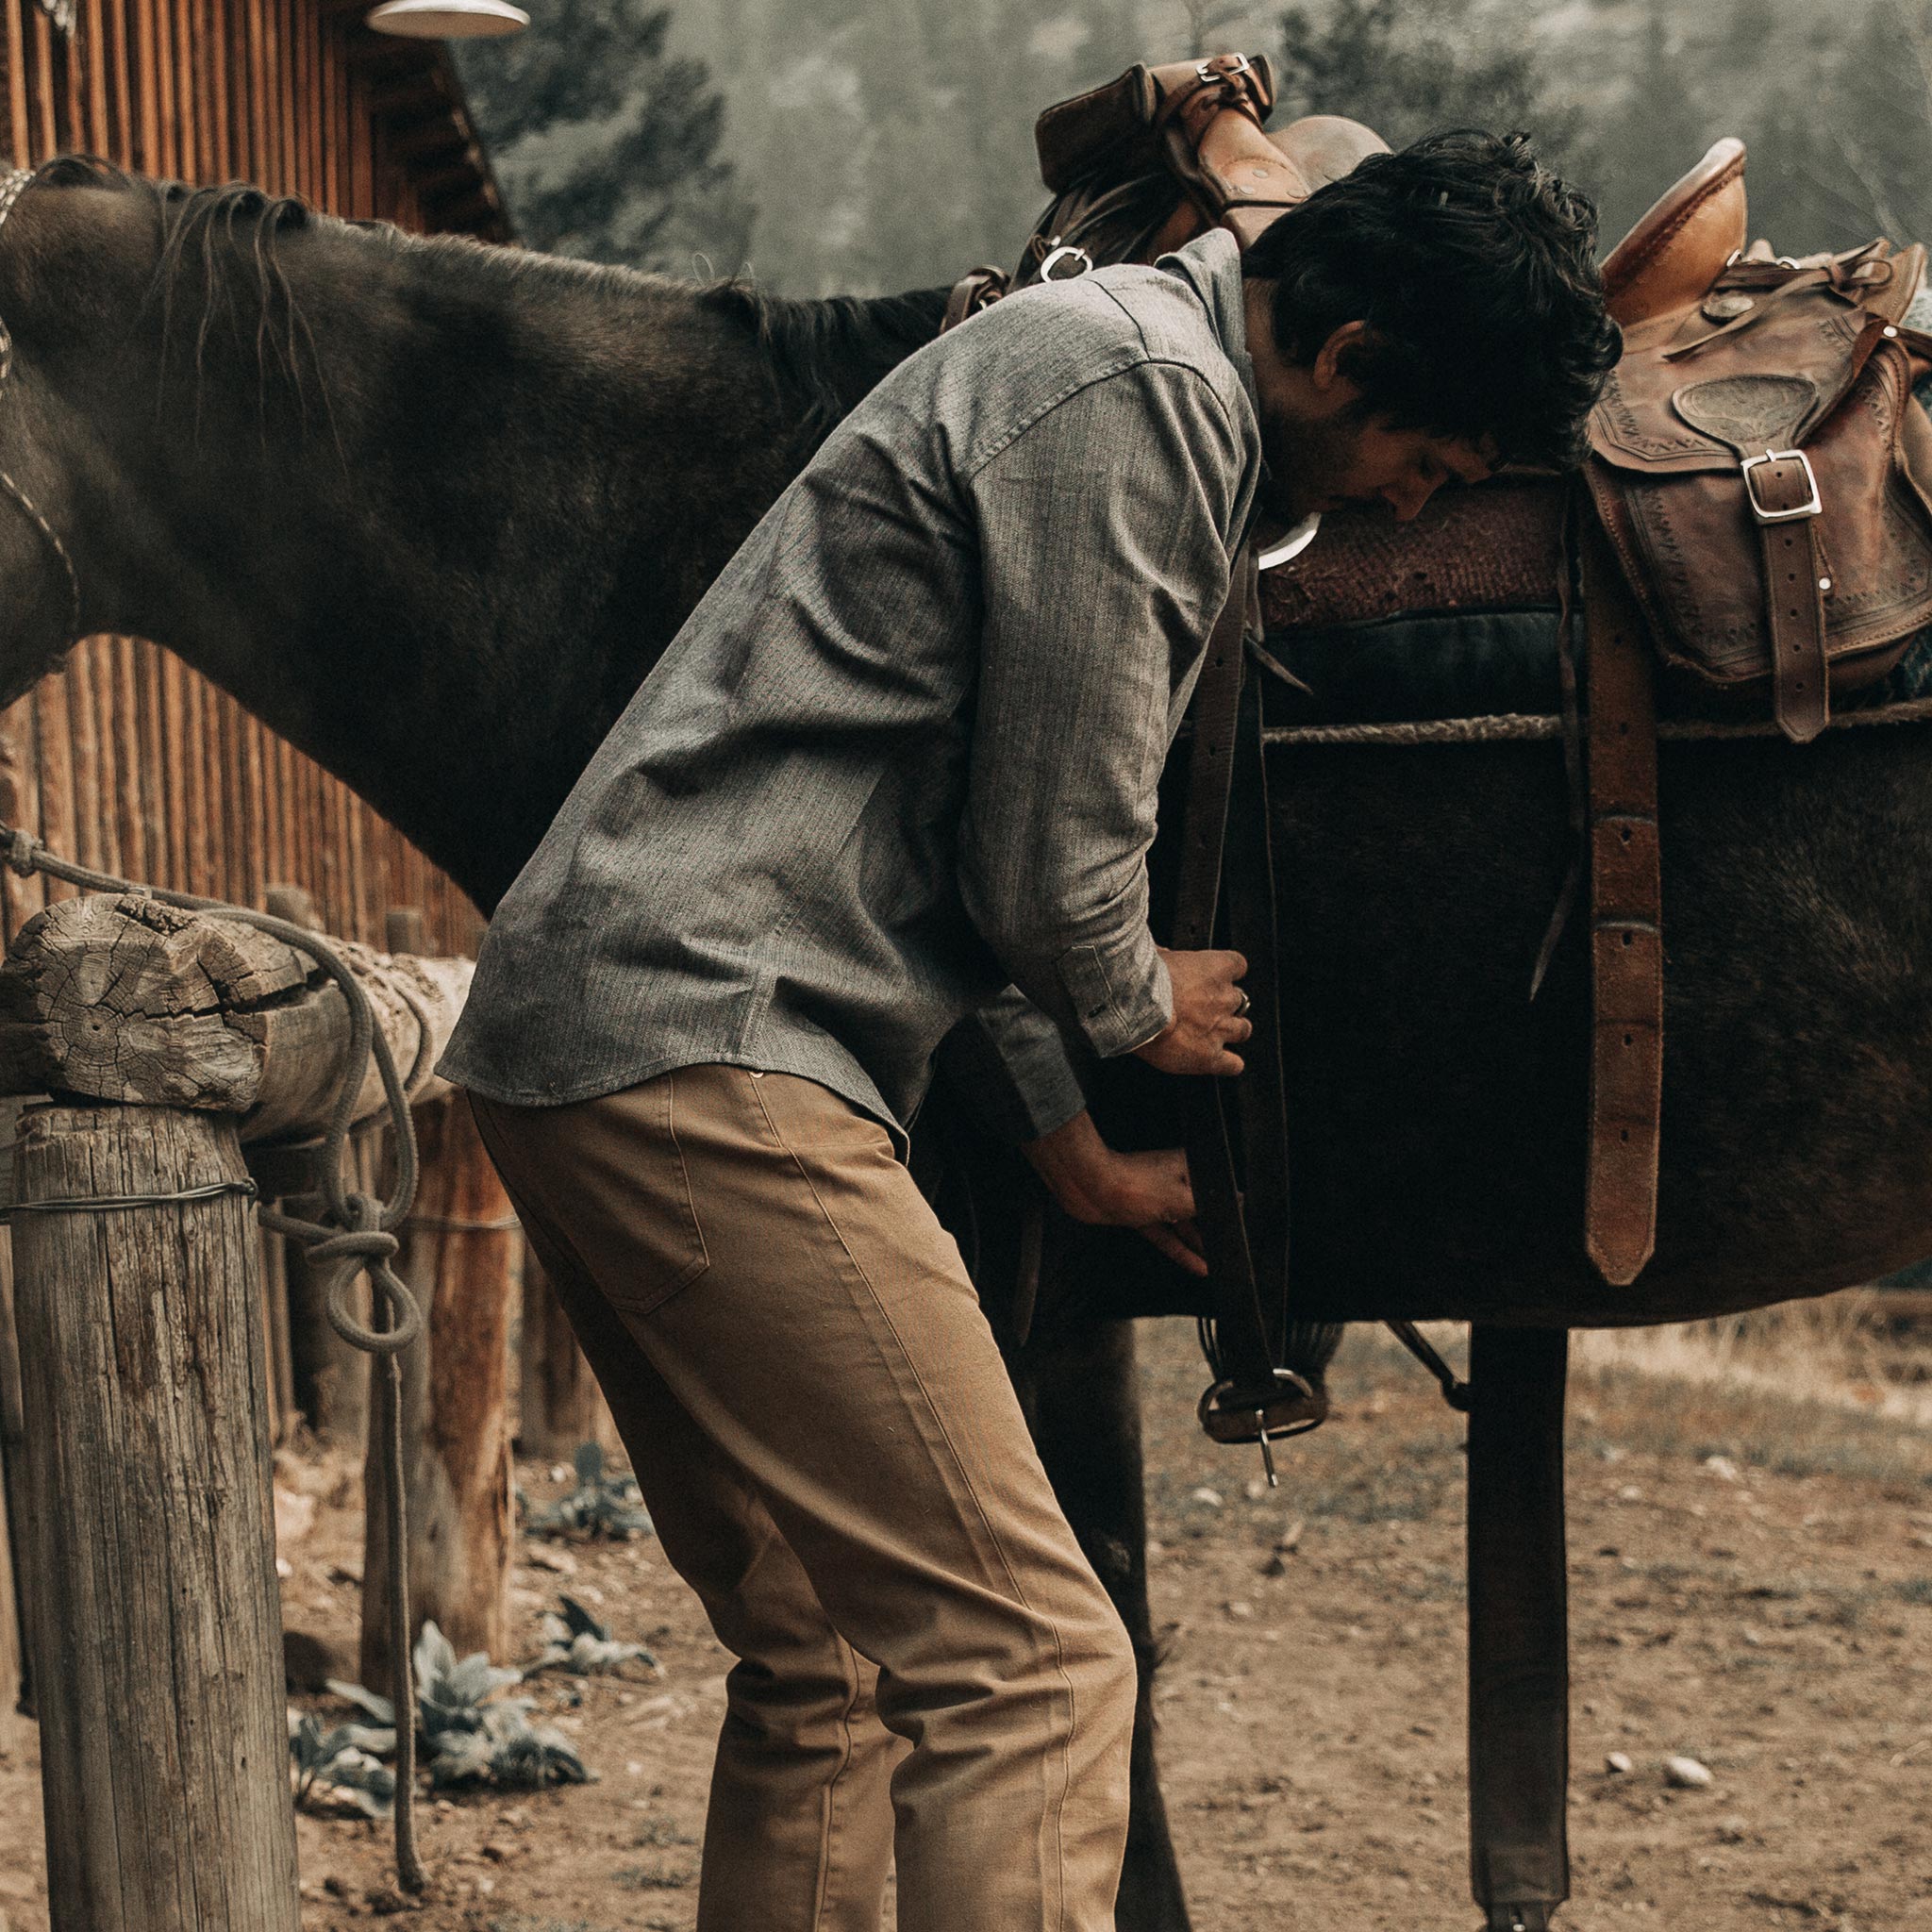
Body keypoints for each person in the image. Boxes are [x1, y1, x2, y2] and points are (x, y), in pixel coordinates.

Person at [438, 127, 1619, 1932]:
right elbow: (1054, 860)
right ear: (1348, 356)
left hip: (595, 1031)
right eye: (1419, 462)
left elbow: (934, 806)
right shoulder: (1146, 397)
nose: (1407, 504)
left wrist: (1063, 1121)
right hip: (715, 1043)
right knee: (1036, 1663)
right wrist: (1148, 1001)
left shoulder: (1112, 359)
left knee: (823, 1652)